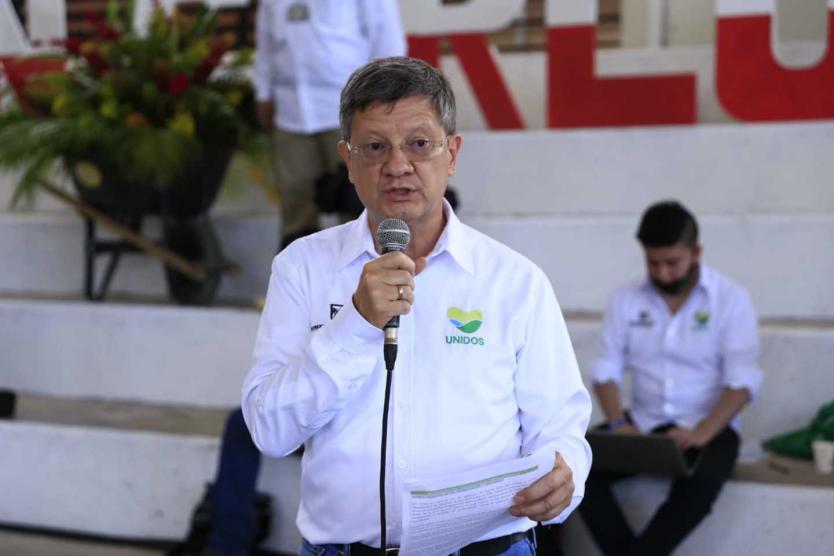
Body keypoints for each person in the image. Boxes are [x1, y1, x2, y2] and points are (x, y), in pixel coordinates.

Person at [241, 56, 592, 555]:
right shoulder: (303, 268)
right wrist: (356, 323)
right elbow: (269, 430)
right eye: (374, 147)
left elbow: (560, 428)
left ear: (453, 153)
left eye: (419, 144)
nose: (397, 165)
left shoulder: (515, 282)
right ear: (347, 160)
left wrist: (565, 478)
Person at [578, 200, 764, 556]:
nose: (663, 273)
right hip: (641, 422)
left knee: (700, 485)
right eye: (653, 263)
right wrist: (618, 424)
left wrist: (702, 433)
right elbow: (605, 370)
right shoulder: (625, 299)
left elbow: (741, 383)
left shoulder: (731, 299)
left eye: (672, 262)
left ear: (696, 253)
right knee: (576, 466)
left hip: (709, 427)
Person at [253, 0, 406, 248]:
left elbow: (386, 37)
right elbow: (265, 45)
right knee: (296, 200)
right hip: (291, 111)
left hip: (351, 109)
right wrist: (263, 93)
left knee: (356, 199)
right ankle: (298, 269)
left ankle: (366, 266)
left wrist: (385, 98)